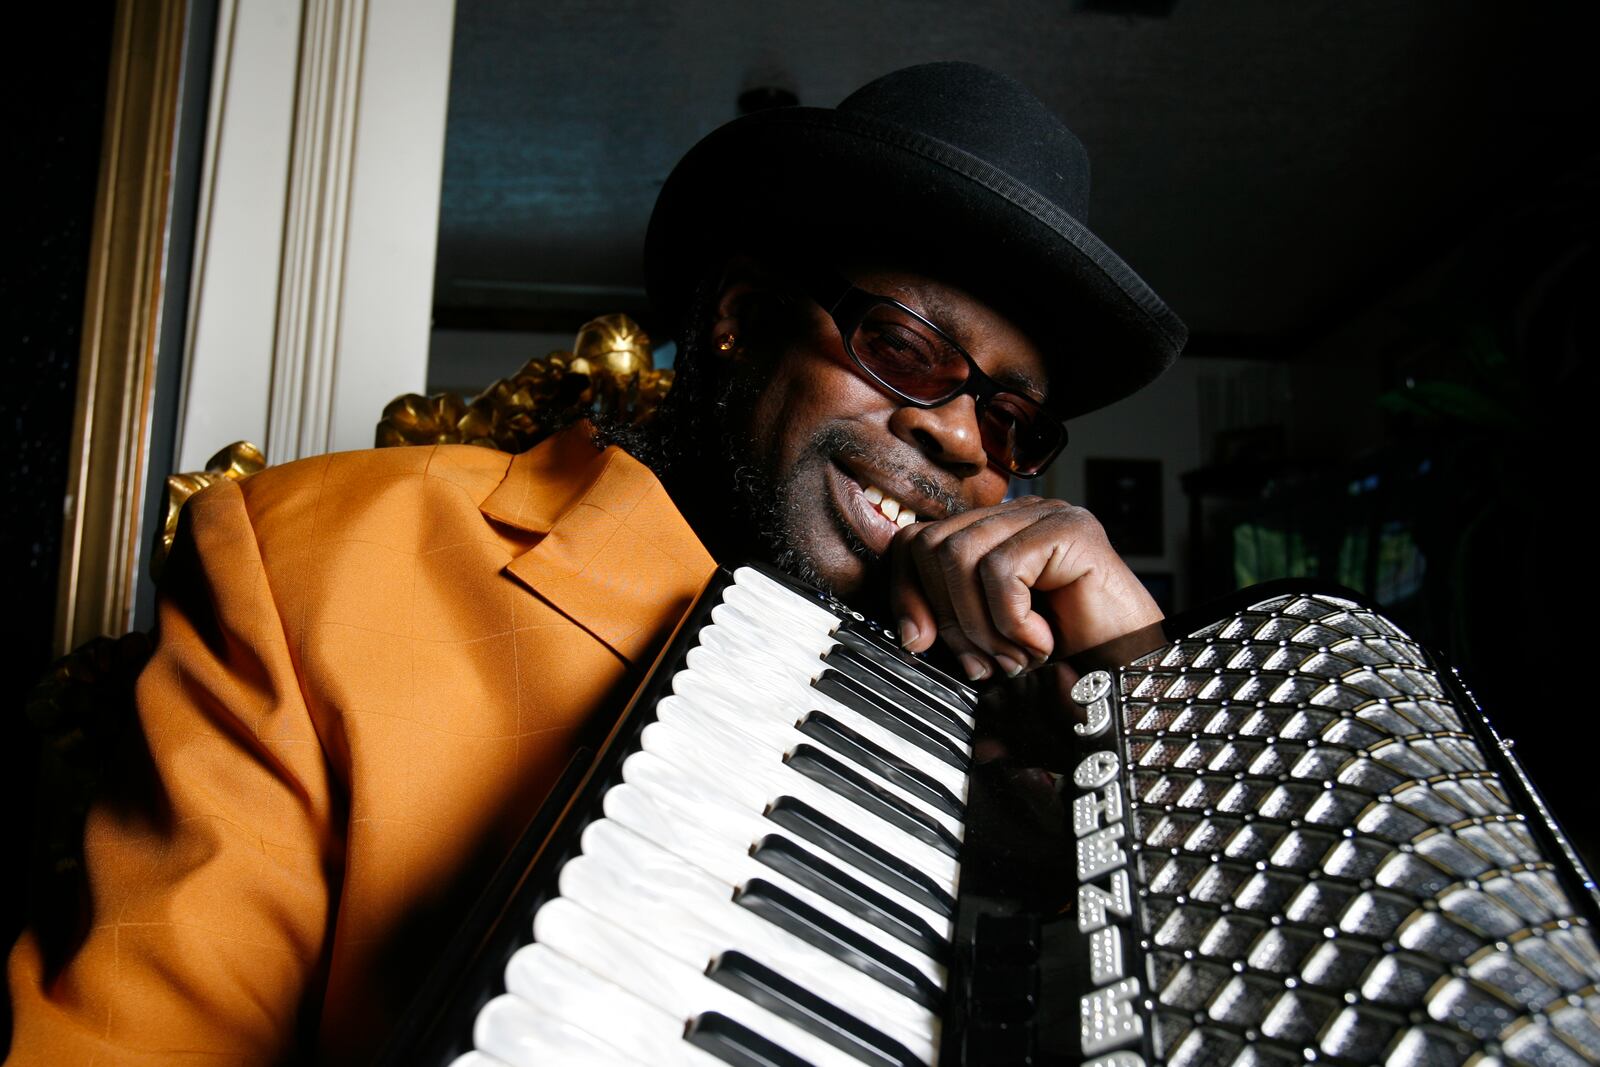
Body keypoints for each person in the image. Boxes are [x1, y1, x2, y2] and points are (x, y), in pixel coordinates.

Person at [5, 62, 1185, 1064]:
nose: (963, 437)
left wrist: (1134, 716)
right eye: (904, 347)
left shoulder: (1019, 710)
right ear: (736, 316)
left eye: (1014, 423)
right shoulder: (326, 557)